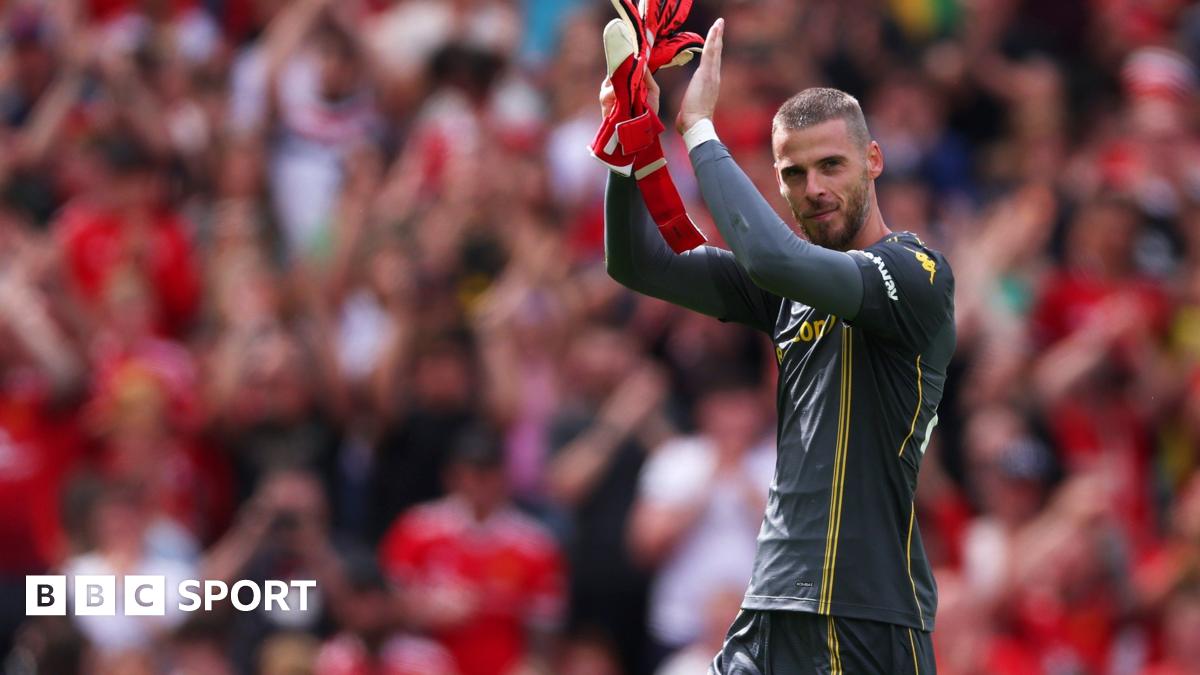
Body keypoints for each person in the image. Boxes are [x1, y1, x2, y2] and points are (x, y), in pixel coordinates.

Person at [602, 18, 955, 674]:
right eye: (793, 173)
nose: (813, 189)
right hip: (768, 606)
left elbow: (768, 253)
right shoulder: (784, 284)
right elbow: (638, 264)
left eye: (831, 166)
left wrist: (699, 130)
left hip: (864, 615)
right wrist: (630, 140)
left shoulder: (916, 272)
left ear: (872, 161)